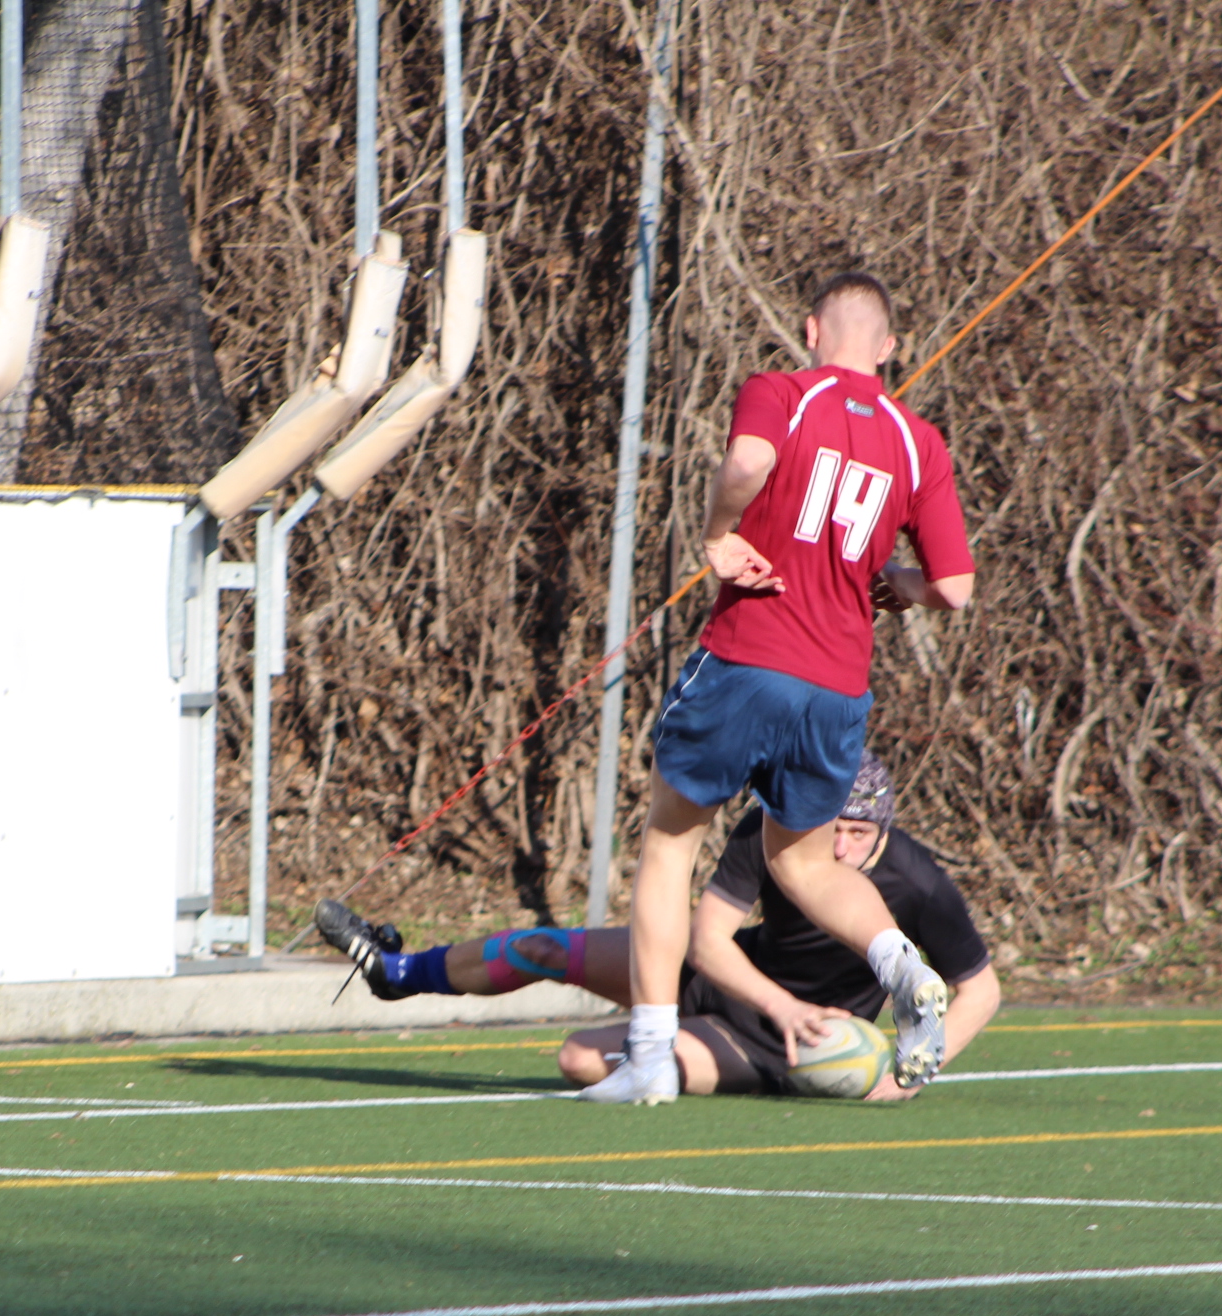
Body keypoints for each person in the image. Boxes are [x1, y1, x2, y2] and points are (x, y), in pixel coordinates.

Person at [582, 270, 977, 1105]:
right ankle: (902, 965)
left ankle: (649, 1057)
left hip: (748, 659)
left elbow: (748, 460)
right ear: (889, 348)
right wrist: (895, 584)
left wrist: (718, 533)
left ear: (810, 331)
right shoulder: (919, 442)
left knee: (670, 843)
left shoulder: (782, 392)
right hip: (837, 690)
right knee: (802, 864)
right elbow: (954, 587)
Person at [316, 753, 998, 1099]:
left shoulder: (917, 881)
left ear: (884, 828)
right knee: (540, 946)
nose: (840, 848)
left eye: (857, 833)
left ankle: (727, 1065)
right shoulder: (775, 830)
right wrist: (778, 1000)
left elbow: (981, 989)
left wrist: (910, 1073)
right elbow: (706, 940)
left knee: (578, 1060)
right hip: (729, 977)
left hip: (770, 1046)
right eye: (831, 828)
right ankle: (397, 972)